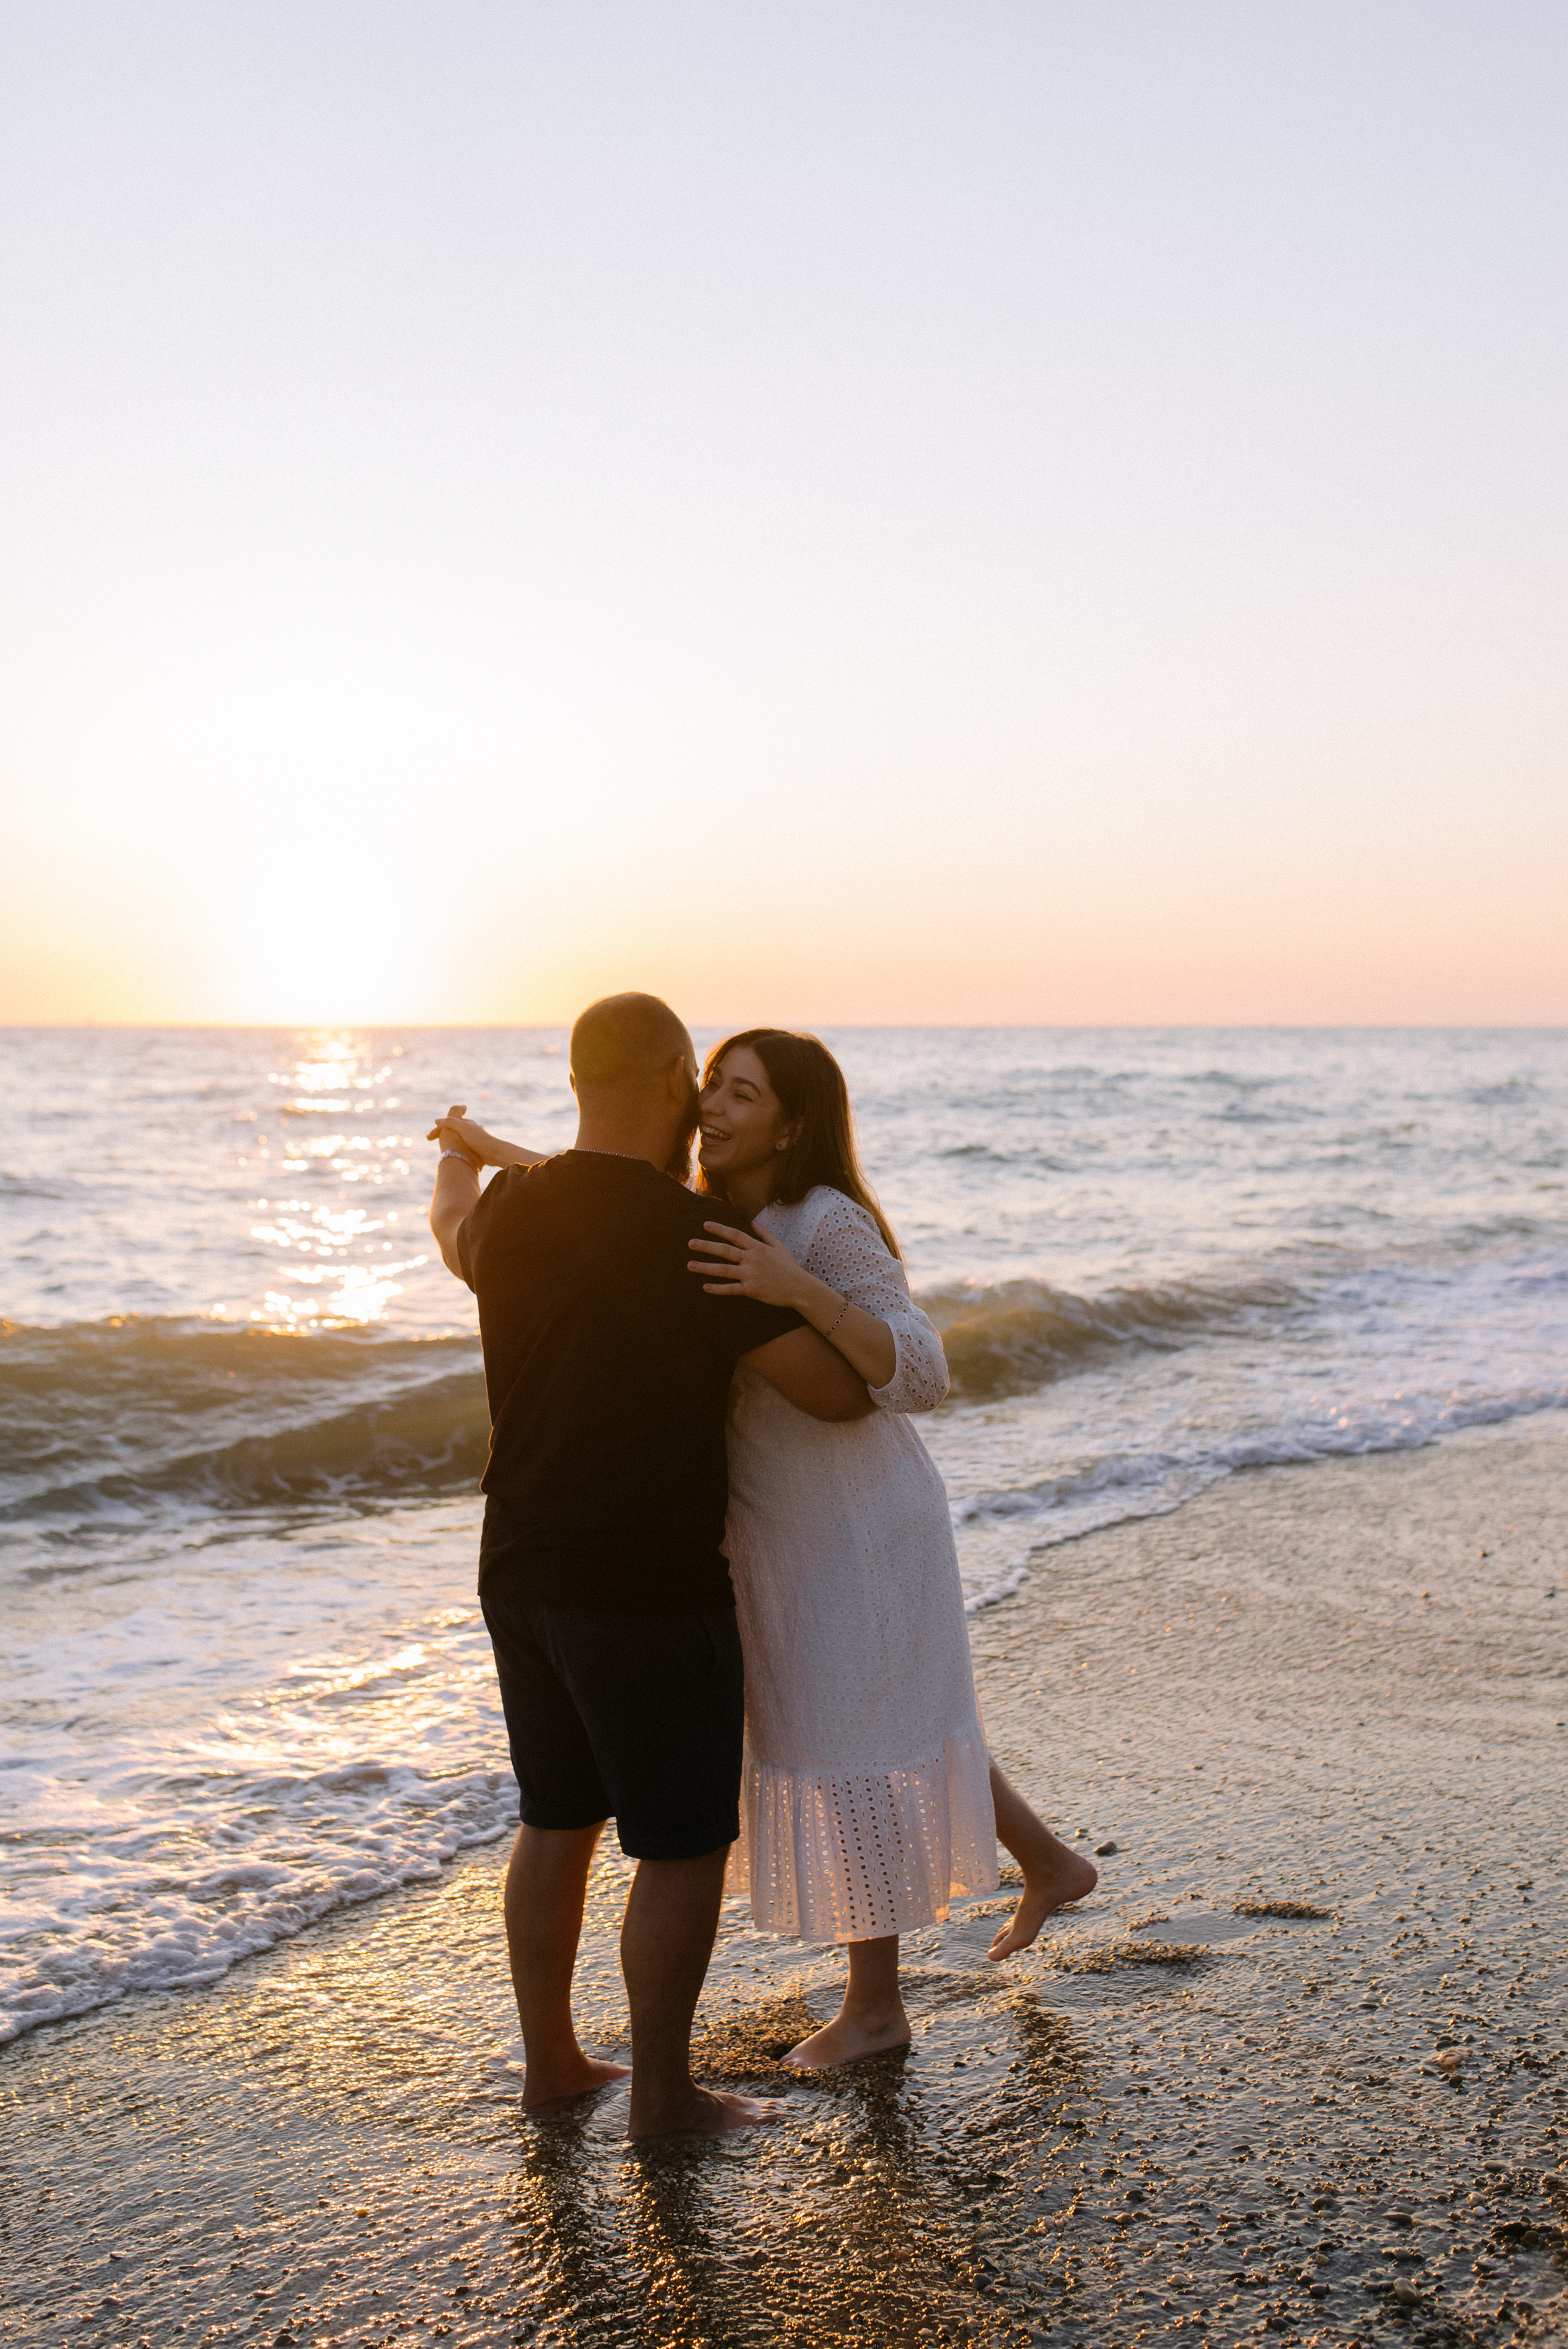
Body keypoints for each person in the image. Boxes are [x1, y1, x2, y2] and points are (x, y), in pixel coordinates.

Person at [427, 993, 870, 2136]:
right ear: (678, 1072)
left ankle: (554, 2067)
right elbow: (833, 1394)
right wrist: (792, 1287)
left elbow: (454, 1237)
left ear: (576, 1080)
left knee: (556, 1819)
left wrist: (456, 1161)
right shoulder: (697, 1236)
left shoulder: (516, 1207)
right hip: (645, 1585)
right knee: (679, 1844)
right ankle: (665, 2097)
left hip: (516, 1565)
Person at [687, 1029, 1097, 2066]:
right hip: (787, 1524)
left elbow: (921, 1369)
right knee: (888, 1718)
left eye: (744, 1094)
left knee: (852, 1743)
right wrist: (484, 1151)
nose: (716, 1107)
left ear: (792, 1122)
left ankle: (875, 2007)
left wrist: (801, 1292)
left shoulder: (822, 1220)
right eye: (709, 1086)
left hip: (863, 1522)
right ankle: (1049, 1863)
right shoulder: (713, 1211)